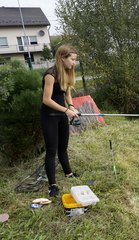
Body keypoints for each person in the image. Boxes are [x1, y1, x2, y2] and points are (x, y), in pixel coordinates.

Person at [41, 44, 79, 197]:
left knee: (63, 147)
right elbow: (46, 100)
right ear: (62, 58)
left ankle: (68, 173)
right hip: (49, 116)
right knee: (51, 151)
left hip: (62, 114)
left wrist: (71, 106)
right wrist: (66, 110)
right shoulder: (50, 74)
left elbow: (67, 93)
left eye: (75, 60)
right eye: (72, 59)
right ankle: (52, 185)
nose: (73, 62)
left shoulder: (67, 72)